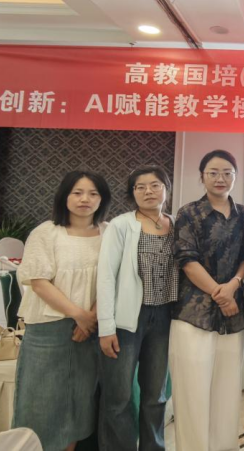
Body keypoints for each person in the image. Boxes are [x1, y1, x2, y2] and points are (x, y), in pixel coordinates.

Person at [13, 171, 111, 451]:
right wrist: (80, 316)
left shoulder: (109, 232)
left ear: (102, 199)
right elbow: (39, 282)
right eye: (77, 192)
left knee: (80, 398)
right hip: (49, 328)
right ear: (64, 196)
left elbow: (112, 279)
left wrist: (91, 317)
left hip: (91, 327)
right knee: (41, 398)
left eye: (93, 193)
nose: (84, 199)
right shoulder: (46, 232)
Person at [170, 150, 244, 451]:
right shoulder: (188, 213)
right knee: (192, 391)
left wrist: (233, 286)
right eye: (213, 172)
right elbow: (186, 260)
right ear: (202, 176)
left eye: (227, 172)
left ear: (235, 176)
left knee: (227, 390)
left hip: (233, 314)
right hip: (193, 313)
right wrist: (221, 294)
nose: (220, 178)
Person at [97, 165, 176, 451]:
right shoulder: (121, 225)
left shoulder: (177, 224)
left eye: (155, 185)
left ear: (166, 189)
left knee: (156, 395)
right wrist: (106, 327)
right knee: (118, 396)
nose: (148, 191)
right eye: (140, 187)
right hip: (127, 319)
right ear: (132, 193)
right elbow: (106, 276)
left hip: (165, 317)